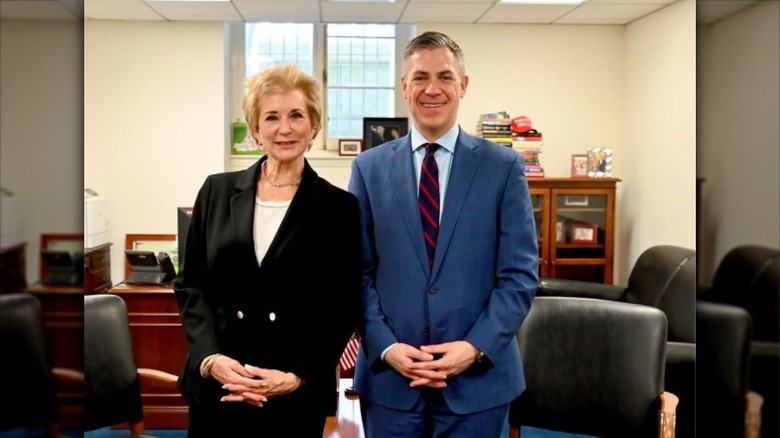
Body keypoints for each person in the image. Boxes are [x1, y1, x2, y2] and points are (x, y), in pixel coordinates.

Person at [348, 31, 539, 437]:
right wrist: (386, 347)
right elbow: (357, 273)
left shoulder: (503, 168)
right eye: (419, 77)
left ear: (463, 85)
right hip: (391, 382)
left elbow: (519, 276)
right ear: (403, 86)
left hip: (478, 383)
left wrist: (473, 348)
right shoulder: (368, 169)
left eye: (445, 77)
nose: (432, 89)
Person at [174, 64, 362, 437]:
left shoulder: (339, 207)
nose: (285, 128)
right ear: (256, 131)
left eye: (296, 115)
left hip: (292, 390)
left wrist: (296, 376)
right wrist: (210, 360)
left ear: (313, 127)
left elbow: (342, 305)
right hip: (221, 384)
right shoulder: (216, 191)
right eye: (271, 117)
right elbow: (191, 285)